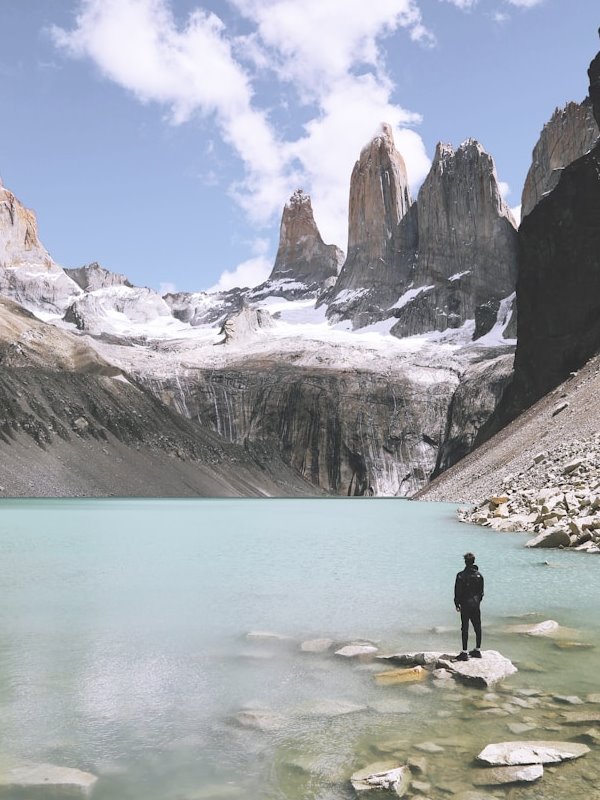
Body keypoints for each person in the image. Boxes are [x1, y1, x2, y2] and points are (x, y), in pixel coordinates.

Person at [454, 552, 484, 661]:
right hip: (476, 604)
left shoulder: (461, 575)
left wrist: (457, 604)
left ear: (465, 562)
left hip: (465, 604)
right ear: (473, 561)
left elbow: (458, 591)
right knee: (477, 626)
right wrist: (477, 602)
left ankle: (464, 652)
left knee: (465, 628)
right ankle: (477, 650)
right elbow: (481, 593)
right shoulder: (479, 575)